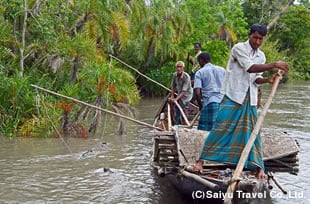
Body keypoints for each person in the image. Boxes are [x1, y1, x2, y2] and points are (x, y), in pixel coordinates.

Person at [193, 24, 289, 179]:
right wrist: (274, 64)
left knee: (253, 132)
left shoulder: (261, 56)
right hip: (233, 95)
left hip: (250, 99)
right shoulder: (239, 48)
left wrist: (268, 80)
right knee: (221, 127)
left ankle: (258, 168)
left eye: (261, 39)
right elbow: (250, 68)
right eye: (255, 37)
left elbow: (255, 79)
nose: (257, 41)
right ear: (249, 35)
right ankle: (201, 161)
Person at [194, 52, 225, 131]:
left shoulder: (200, 72)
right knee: (219, 129)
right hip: (222, 102)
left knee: (205, 130)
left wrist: (200, 106)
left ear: (201, 61)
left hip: (209, 103)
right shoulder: (222, 70)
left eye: (199, 62)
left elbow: (197, 92)